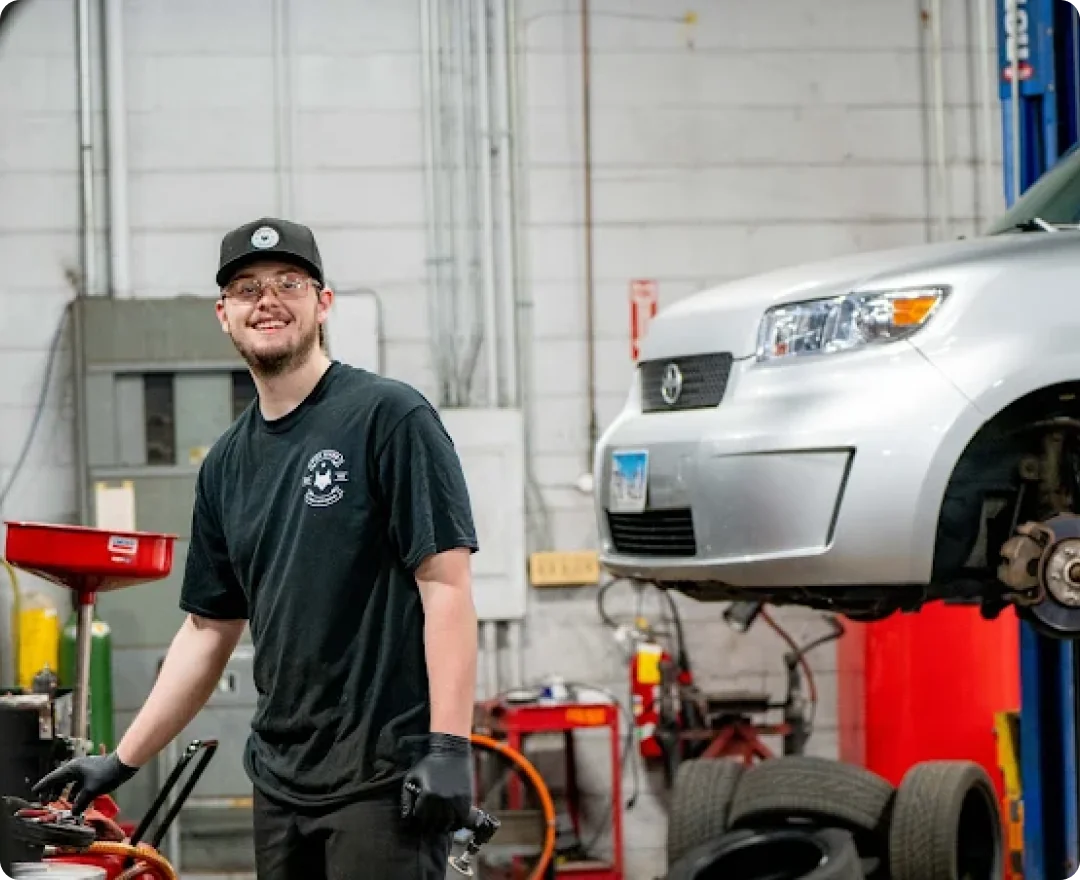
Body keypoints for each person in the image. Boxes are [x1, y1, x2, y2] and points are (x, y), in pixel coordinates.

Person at [32, 217, 481, 879]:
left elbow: (446, 586)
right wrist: (121, 760)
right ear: (224, 315)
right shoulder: (226, 465)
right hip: (280, 786)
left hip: (382, 784)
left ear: (322, 302)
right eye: (246, 289)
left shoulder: (389, 418)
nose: (267, 300)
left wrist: (449, 747)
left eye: (288, 283)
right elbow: (208, 629)